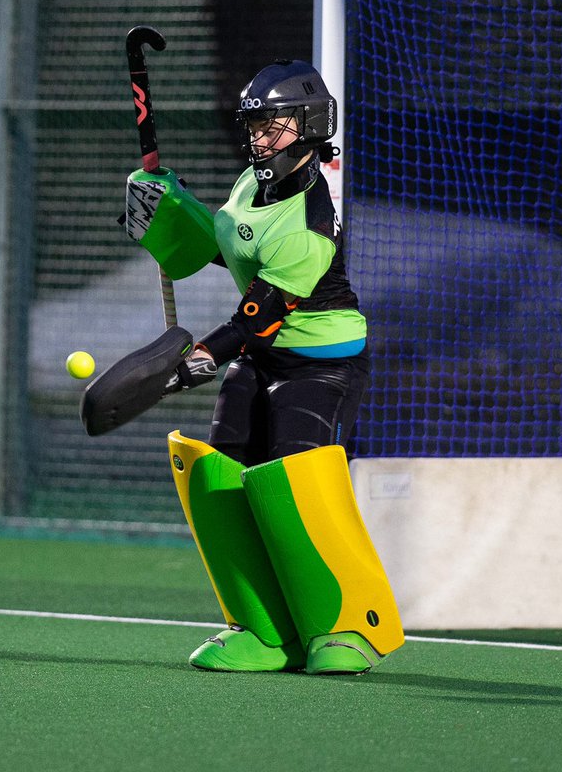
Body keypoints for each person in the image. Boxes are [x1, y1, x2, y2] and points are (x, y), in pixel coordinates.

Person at [135, 60, 404, 675]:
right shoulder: (250, 187)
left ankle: (342, 628)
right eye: (253, 125)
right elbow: (217, 247)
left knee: (293, 478)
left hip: (321, 364)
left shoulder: (311, 217)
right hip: (260, 358)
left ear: (308, 127)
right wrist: (167, 209)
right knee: (223, 472)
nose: (258, 137)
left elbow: (258, 318)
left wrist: (187, 366)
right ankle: (261, 629)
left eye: (273, 125)